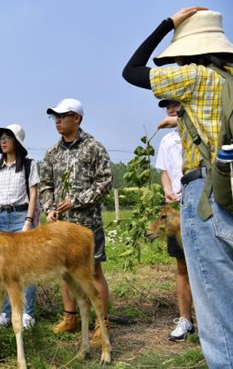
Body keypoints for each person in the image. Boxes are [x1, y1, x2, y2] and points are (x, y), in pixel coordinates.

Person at [123, 8, 233, 367]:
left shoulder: (195, 78)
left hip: (206, 195)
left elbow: (132, 70)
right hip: (229, 183)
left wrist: (167, 23)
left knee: (217, 314)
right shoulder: (229, 78)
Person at [39, 98, 112, 344]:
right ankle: (70, 318)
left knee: (93, 271)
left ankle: (101, 324)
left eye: (62, 116)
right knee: (64, 272)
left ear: (77, 119)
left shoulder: (93, 147)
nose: (57, 121)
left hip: (87, 223)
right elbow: (46, 185)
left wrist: (76, 200)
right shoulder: (51, 153)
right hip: (61, 226)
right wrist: (50, 208)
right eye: (55, 117)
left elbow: (105, 182)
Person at [0, 124, 40, 330]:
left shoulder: (28, 165)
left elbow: (33, 194)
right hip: (1, 217)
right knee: (3, 269)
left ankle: (27, 313)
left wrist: (28, 220)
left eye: (8, 137)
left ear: (17, 141)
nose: (3, 141)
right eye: (1, 139)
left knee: (26, 266)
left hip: (20, 216)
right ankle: (6, 313)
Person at [156, 99, 195, 342]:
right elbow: (164, 172)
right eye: (167, 105)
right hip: (178, 209)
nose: (170, 107)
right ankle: (185, 320)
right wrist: (167, 190)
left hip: (201, 203)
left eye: (176, 102)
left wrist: (181, 122)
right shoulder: (166, 140)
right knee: (181, 267)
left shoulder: (199, 130)